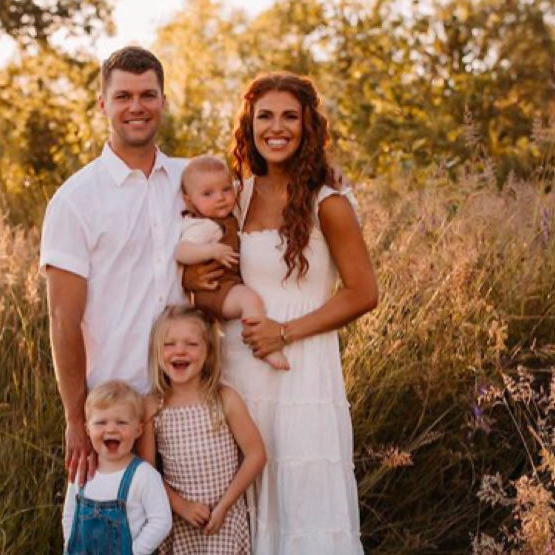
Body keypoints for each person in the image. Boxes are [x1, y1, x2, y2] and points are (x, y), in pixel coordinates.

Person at [39, 46, 220, 486]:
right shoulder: (75, 199)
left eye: (147, 94)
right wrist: (76, 419)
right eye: (123, 96)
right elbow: (63, 320)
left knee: (194, 537)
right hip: (114, 413)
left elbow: (257, 199)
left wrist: (325, 179)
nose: (136, 107)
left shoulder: (190, 181)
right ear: (103, 104)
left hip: (187, 403)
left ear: (163, 100)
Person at [218, 72, 379, 554]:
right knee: (246, 505)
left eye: (290, 116)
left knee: (303, 502)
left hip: (303, 373)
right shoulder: (236, 197)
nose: (277, 127)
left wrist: (284, 332)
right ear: (249, 125)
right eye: (265, 116)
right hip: (241, 372)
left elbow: (363, 292)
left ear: (309, 126)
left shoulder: (328, 203)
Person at [139, 305, 267, 555]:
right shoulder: (153, 406)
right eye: (169, 344)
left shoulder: (224, 399)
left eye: (191, 344)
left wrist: (223, 507)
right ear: (157, 352)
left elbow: (256, 455)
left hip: (225, 520)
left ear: (208, 353)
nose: (179, 351)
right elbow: (147, 473)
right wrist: (182, 507)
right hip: (181, 522)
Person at [176, 155, 289, 371]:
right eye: (208, 194)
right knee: (250, 299)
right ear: (189, 201)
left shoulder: (228, 213)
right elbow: (181, 251)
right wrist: (211, 250)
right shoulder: (203, 226)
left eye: (225, 190)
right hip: (215, 289)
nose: (220, 198)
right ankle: (264, 345)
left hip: (225, 288)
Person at [62, 381, 172, 555]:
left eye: (121, 422)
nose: (111, 429)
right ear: (87, 430)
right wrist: (70, 544)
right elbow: (70, 515)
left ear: (138, 430)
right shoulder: (82, 473)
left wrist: (135, 551)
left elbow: (161, 520)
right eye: (101, 423)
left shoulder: (143, 475)